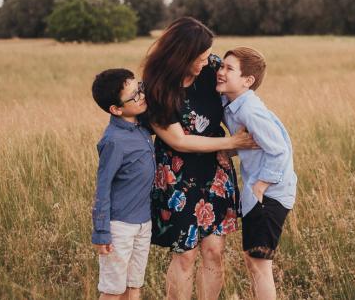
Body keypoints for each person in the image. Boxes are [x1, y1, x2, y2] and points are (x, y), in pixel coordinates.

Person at [142, 17, 256, 300]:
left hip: (215, 171)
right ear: (182, 55)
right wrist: (232, 142)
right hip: (177, 177)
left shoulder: (211, 68)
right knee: (185, 255)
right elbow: (178, 140)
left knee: (214, 251)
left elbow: (243, 91)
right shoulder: (157, 87)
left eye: (208, 55)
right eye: (200, 57)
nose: (207, 62)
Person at [216, 47, 297, 300]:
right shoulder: (234, 104)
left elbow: (279, 150)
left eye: (229, 69)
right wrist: (231, 151)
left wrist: (260, 186)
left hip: (269, 195)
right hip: (261, 194)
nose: (220, 72)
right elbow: (256, 144)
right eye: (221, 66)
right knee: (253, 260)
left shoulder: (250, 110)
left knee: (260, 265)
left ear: (247, 80)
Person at [90, 68, 155, 300]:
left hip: (143, 222)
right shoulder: (113, 141)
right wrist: (101, 232)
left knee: (134, 286)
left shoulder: (142, 126)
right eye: (134, 96)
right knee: (113, 290)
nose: (141, 96)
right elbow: (103, 187)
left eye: (139, 89)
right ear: (116, 109)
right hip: (119, 227)